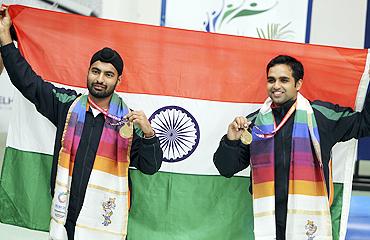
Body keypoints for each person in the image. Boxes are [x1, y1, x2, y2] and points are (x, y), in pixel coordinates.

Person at [0, 6, 162, 240]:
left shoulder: (129, 121)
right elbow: (29, 83)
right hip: (66, 218)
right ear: (87, 72)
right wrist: (5, 36)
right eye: (95, 71)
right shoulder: (67, 105)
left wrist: (148, 133)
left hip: (106, 223)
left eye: (108, 74)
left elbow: (150, 166)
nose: (100, 79)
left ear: (119, 79)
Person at [213, 55, 370, 240]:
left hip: (309, 216)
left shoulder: (320, 116)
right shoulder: (254, 123)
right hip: (269, 220)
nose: (276, 86)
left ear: (298, 84)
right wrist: (231, 140)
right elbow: (226, 168)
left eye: (284, 80)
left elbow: (364, 123)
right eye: (271, 80)